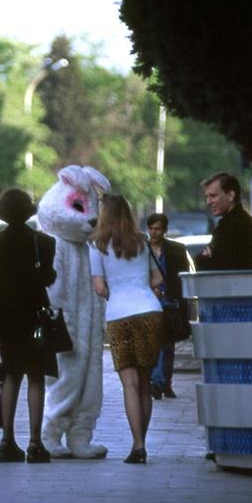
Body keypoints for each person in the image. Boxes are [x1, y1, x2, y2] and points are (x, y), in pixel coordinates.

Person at [38, 165, 111, 459]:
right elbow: (53, 289)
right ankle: (50, 433)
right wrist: (59, 317)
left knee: (91, 385)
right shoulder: (56, 246)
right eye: (81, 208)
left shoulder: (87, 248)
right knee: (65, 381)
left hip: (89, 330)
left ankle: (81, 436)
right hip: (66, 327)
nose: (91, 218)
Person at [0, 188, 58, 464]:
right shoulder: (44, 243)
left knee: (11, 376)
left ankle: (7, 441)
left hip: (6, 320)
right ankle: (35, 443)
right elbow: (49, 278)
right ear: (29, 210)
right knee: (36, 377)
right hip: (35, 318)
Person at [89, 194, 163, 464]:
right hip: (150, 312)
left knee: (129, 384)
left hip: (120, 315)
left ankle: (138, 445)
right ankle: (140, 444)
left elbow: (99, 288)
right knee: (144, 382)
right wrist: (140, 288)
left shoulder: (97, 246)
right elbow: (158, 278)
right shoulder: (143, 243)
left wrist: (117, 293)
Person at [145, 213, 192, 400]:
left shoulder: (176, 250)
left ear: (165, 230)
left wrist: (182, 303)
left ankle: (165, 383)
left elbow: (183, 277)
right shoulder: (142, 249)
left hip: (170, 303)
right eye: (151, 228)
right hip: (149, 302)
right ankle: (156, 382)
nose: (154, 232)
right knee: (154, 343)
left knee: (168, 345)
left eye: (158, 229)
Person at [194, 172, 252, 270]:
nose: (208, 202)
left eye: (213, 196)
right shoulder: (234, 223)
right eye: (207, 197)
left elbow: (216, 265)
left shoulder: (238, 226)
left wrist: (206, 256)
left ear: (230, 195)